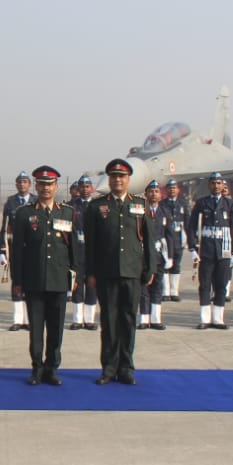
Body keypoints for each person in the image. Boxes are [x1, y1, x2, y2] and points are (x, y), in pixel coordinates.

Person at [83, 158, 157, 385]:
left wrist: (150, 268)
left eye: (122, 176)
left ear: (128, 180)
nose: (117, 180)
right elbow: (90, 244)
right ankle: (108, 367)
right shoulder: (96, 207)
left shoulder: (140, 205)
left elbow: (150, 241)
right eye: (114, 176)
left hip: (132, 272)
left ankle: (126, 367)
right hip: (106, 273)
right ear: (110, 179)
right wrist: (91, 272)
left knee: (128, 320)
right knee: (109, 321)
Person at [9, 166, 75, 385]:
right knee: (36, 329)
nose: (46, 188)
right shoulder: (24, 213)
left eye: (50, 184)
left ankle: (52, 368)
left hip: (58, 279)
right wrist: (18, 281)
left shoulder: (67, 212)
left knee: (56, 329)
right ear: (36, 187)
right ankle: (37, 368)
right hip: (34, 279)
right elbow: (17, 250)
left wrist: (75, 277)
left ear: (56, 187)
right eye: (42, 184)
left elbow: (74, 249)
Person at [187, 172, 233, 330]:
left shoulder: (230, 204)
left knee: (221, 284)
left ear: (223, 185)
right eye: (213, 183)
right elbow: (192, 226)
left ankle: (218, 319)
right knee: (204, 285)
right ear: (209, 185)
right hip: (207, 250)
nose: (216, 186)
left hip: (224, 249)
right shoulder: (202, 203)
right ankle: (205, 319)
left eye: (219, 183)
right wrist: (192, 248)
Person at [0, 172, 34, 332]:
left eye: (25, 182)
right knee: (16, 283)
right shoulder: (10, 202)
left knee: (31, 285)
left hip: (33, 249)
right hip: (15, 249)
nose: (22, 184)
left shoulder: (36, 201)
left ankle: (29, 320)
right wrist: (2, 249)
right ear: (16, 185)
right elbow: (4, 226)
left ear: (30, 185)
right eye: (20, 182)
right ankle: (17, 320)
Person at [138, 180, 171, 330]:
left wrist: (170, 256)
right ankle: (144, 319)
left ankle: (156, 319)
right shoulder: (140, 211)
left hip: (159, 256)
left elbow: (170, 235)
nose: (153, 194)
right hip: (143, 256)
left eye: (156, 191)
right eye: (151, 191)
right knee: (143, 288)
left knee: (157, 287)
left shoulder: (165, 212)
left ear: (160, 194)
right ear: (146, 194)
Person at [67, 176, 98, 331]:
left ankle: (90, 320)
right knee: (77, 286)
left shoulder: (98, 206)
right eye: (82, 187)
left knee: (92, 286)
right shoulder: (71, 206)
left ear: (91, 188)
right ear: (78, 189)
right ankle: (77, 320)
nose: (85, 189)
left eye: (87, 186)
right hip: (77, 251)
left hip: (93, 251)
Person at [159, 178, 189, 301]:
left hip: (178, 238)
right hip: (166, 239)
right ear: (166, 190)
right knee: (165, 264)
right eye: (170, 188)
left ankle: (174, 291)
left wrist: (190, 239)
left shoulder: (183, 203)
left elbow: (187, 222)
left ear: (178, 190)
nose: (172, 190)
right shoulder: (162, 204)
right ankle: (165, 292)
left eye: (174, 188)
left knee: (176, 265)